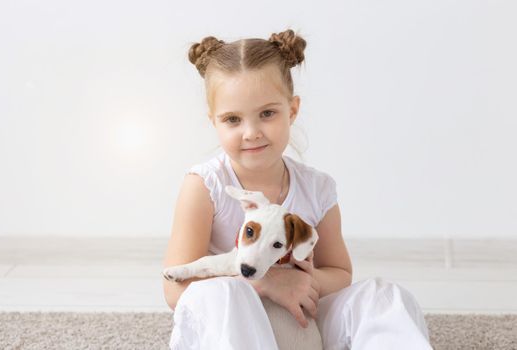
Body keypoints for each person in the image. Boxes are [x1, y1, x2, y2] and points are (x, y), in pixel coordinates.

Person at [162, 29, 432, 350]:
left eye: (267, 113)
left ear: (292, 110)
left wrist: (299, 281)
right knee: (221, 293)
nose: (251, 133)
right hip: (231, 329)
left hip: (301, 323)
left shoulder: (317, 188)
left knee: (381, 295)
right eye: (233, 119)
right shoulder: (206, 185)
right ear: (214, 122)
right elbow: (176, 291)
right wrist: (266, 283)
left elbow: (340, 273)